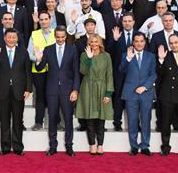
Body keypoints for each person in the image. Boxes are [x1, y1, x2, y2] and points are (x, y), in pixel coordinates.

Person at [36, 26, 80, 156]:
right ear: (55, 36)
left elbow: (76, 72)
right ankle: (53, 146)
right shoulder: (48, 49)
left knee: (68, 119)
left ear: (66, 36)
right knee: (52, 118)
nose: (60, 39)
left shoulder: (72, 50)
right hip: (52, 89)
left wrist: (75, 90)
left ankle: (69, 146)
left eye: (63, 37)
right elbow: (40, 68)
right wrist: (39, 60)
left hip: (68, 90)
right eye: (58, 37)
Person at [0, 29, 32, 155]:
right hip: (3, 90)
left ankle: (18, 147)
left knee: (18, 120)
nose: (11, 39)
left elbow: (28, 72)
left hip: (18, 90)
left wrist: (28, 89)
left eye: (14, 37)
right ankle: (5, 147)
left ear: (17, 39)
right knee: (4, 120)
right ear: (4, 38)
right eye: (9, 37)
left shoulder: (23, 52)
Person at [77, 34, 114, 156]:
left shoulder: (106, 56)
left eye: (96, 41)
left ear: (100, 43)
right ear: (88, 43)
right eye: (91, 42)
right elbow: (83, 71)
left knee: (100, 118)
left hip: (102, 88)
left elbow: (109, 74)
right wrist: (89, 58)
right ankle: (92, 144)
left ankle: (101, 145)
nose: (94, 44)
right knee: (90, 117)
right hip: (88, 87)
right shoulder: (84, 55)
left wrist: (108, 93)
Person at [120, 32, 155, 156]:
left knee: (146, 119)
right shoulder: (126, 55)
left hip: (146, 93)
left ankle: (145, 145)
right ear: (133, 42)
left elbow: (153, 74)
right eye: (137, 41)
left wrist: (145, 87)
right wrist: (128, 59)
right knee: (132, 120)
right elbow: (121, 70)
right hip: (130, 93)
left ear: (145, 42)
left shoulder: (151, 56)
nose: (139, 43)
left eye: (141, 41)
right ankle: (134, 146)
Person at [27, 12, 56, 132]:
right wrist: (39, 59)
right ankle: (38, 122)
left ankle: (56, 122)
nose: (44, 21)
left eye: (46, 19)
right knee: (40, 97)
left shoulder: (56, 33)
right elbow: (29, 53)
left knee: (54, 97)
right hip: (38, 71)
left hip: (54, 71)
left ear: (50, 19)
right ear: (38, 21)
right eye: (41, 20)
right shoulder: (34, 34)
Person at [106, 13, 136, 131]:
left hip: (134, 72)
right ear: (122, 22)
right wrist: (114, 39)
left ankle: (134, 123)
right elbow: (108, 51)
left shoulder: (139, 35)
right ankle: (117, 122)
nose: (127, 23)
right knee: (118, 96)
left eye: (129, 21)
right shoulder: (116, 34)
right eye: (125, 21)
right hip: (118, 72)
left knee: (134, 98)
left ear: (133, 22)